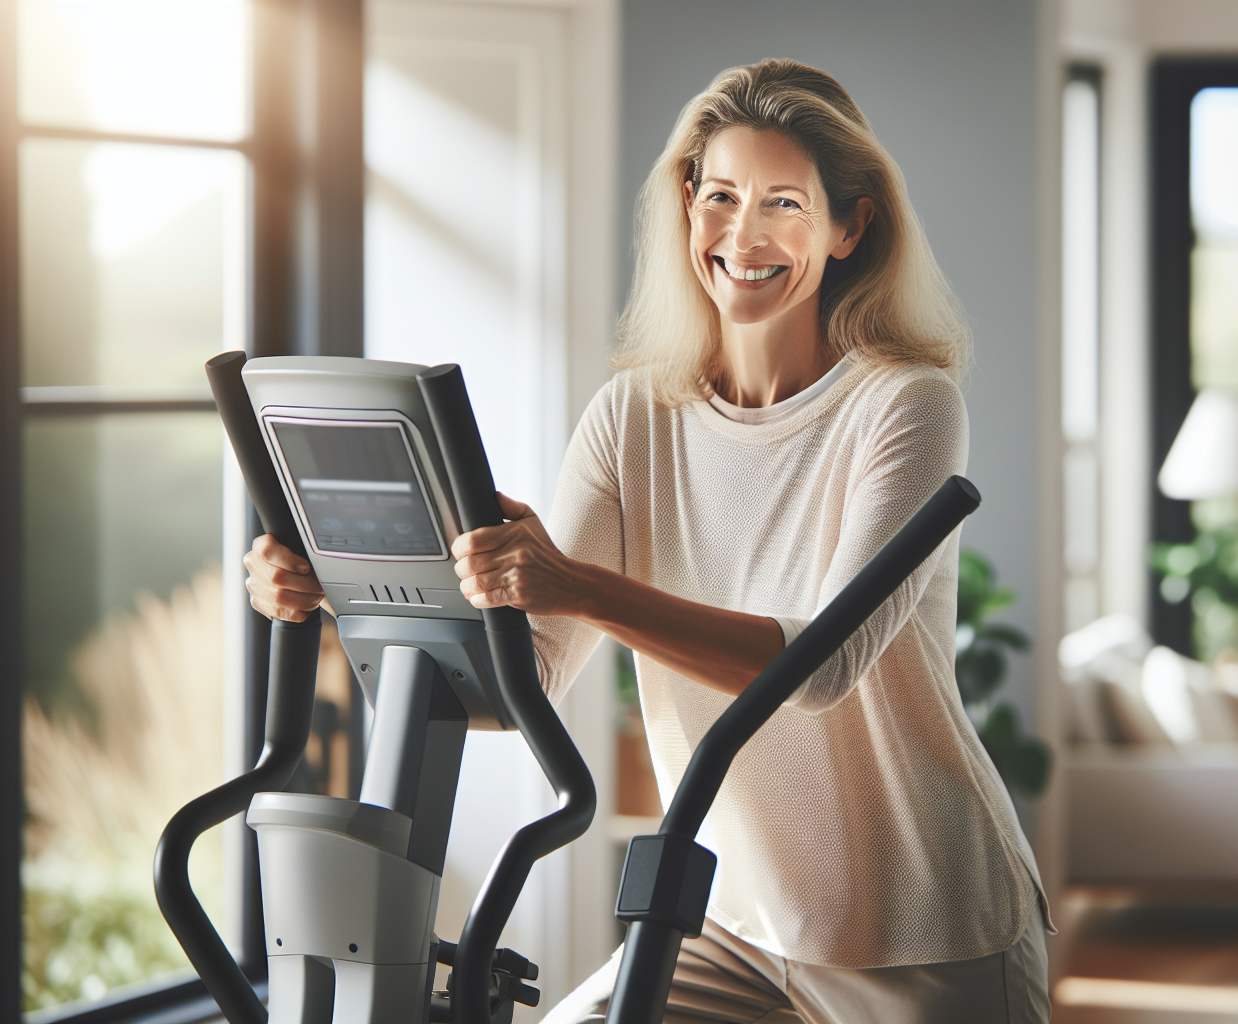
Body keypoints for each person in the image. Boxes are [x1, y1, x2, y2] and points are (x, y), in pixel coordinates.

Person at [245, 58, 1050, 1024]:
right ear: (686, 205)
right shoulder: (632, 417)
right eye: (721, 197)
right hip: (736, 925)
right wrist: (334, 588)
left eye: (784, 204)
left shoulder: (906, 407)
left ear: (850, 227)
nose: (743, 236)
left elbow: (819, 669)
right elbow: (528, 680)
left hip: (925, 929)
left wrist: (579, 585)